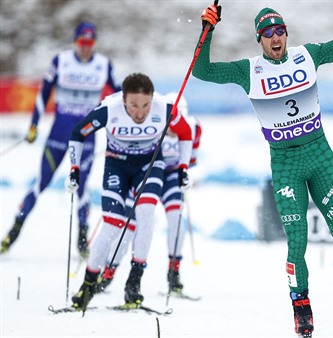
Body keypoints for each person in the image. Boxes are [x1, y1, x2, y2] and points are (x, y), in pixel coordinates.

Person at [193, 1, 333, 336]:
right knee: (297, 240)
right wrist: (208, 30)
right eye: (267, 33)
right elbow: (202, 71)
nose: (275, 37)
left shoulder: (308, 55)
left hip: (320, 157)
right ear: (259, 39)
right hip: (285, 164)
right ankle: (301, 308)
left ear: (286, 34)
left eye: (279, 31)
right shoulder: (248, 71)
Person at [66, 73, 193, 310]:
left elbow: (186, 134)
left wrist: (184, 167)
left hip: (149, 164)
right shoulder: (109, 109)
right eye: (133, 105)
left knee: (146, 215)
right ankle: (88, 284)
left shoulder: (165, 109)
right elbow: (77, 133)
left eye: (145, 105)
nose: (140, 112)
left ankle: (134, 282)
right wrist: (74, 168)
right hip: (117, 165)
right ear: (124, 100)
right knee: (112, 225)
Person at [0, 22, 121, 257]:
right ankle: (12, 233)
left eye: (90, 43)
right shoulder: (61, 61)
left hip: (86, 137)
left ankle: (82, 241)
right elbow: (43, 93)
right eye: (82, 42)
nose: (86, 47)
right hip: (58, 134)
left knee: (83, 188)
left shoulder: (104, 65)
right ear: (75, 41)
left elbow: (118, 96)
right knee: (41, 183)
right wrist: (33, 125)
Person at [94, 92, 202, 296]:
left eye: (175, 128)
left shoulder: (194, 127)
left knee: (176, 219)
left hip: (170, 177)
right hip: (147, 175)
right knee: (129, 227)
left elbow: (192, 158)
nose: (172, 131)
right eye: (168, 126)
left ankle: (173, 273)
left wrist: (184, 172)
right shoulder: (152, 121)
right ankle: (108, 272)